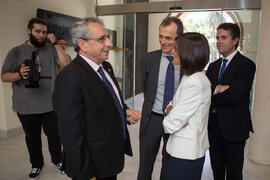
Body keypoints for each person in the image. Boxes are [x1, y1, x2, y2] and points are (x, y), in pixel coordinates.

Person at [52, 17, 141, 180]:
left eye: (107, 37)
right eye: (102, 39)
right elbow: (71, 135)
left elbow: (108, 100)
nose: (109, 43)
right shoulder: (69, 78)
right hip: (92, 165)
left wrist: (125, 111)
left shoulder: (106, 67)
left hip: (108, 158)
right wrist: (86, 175)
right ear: (82, 44)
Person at [1, 17, 70, 180]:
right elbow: (4, 76)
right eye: (37, 31)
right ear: (28, 31)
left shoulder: (50, 48)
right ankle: (36, 164)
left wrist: (55, 44)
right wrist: (19, 74)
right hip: (26, 105)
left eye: (44, 32)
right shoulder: (16, 51)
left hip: (50, 104)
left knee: (54, 135)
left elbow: (65, 63)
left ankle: (58, 160)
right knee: (32, 137)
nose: (41, 35)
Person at [206, 23, 256, 180]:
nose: (219, 41)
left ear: (235, 40)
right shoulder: (213, 66)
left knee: (234, 174)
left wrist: (212, 90)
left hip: (235, 128)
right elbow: (204, 93)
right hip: (213, 126)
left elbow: (235, 96)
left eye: (224, 37)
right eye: (217, 38)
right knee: (217, 171)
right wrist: (219, 88)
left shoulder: (246, 65)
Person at [138, 16, 183, 180]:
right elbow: (146, 88)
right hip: (152, 120)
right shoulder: (149, 59)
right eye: (161, 36)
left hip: (177, 122)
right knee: (144, 167)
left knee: (170, 165)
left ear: (179, 38)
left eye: (168, 38)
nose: (163, 41)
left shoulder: (186, 61)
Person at [163, 32, 211, 180]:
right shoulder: (190, 76)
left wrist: (171, 114)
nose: (172, 51)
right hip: (183, 151)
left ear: (187, 54)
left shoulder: (194, 82)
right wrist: (171, 110)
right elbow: (171, 105)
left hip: (186, 154)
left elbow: (171, 124)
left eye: (176, 49)